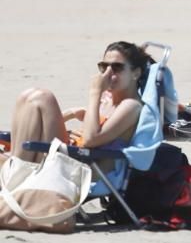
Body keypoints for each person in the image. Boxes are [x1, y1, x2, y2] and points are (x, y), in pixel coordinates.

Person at [7, 42, 152, 162]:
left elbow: (90, 140)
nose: (108, 73)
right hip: (72, 150)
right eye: (104, 66)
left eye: (116, 67)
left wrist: (95, 92)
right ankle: (16, 168)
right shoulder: (107, 99)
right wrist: (73, 113)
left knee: (43, 98)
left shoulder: (131, 106)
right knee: (27, 97)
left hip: (84, 165)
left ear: (136, 73)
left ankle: (15, 174)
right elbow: (98, 125)